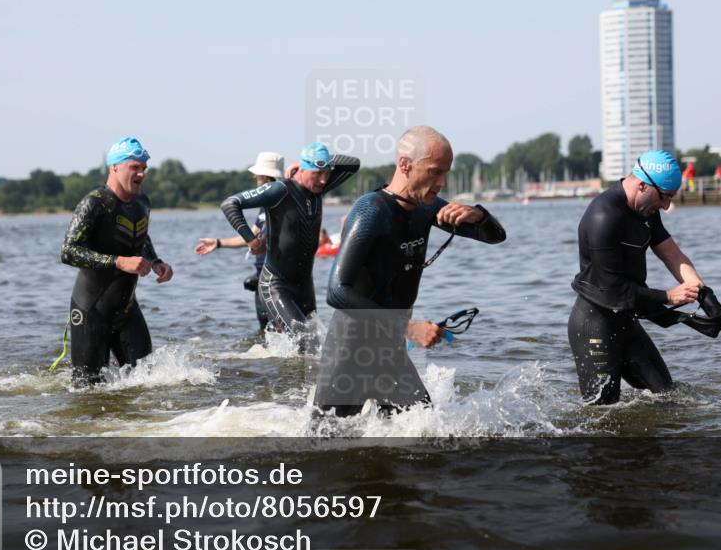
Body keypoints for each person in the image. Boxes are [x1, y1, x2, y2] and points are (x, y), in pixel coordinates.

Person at [313, 126, 507, 417]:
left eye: (446, 173)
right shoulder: (371, 211)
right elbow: (337, 291)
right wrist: (408, 328)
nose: (442, 182)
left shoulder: (427, 208)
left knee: (427, 442)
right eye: (434, 172)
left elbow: (495, 237)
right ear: (405, 165)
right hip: (350, 352)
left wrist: (479, 214)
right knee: (322, 449)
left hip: (389, 352)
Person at [568, 149, 708, 405]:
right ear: (643, 185)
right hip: (594, 323)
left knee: (669, 398)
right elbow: (613, 290)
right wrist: (669, 296)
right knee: (601, 417)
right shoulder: (604, 216)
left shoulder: (646, 209)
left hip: (625, 319)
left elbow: (671, 253)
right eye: (664, 197)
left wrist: (698, 288)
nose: (666, 206)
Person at [60, 137, 173, 386]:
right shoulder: (95, 203)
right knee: (87, 390)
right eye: (135, 167)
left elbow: (141, 237)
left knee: (146, 382)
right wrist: (118, 262)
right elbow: (68, 251)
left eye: (144, 168)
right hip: (92, 310)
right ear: (114, 167)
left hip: (126, 310)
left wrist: (156, 262)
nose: (142, 173)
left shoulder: (142, 203)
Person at [220, 142, 360, 338]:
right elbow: (230, 204)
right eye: (317, 173)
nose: (322, 180)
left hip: (304, 285)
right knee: (306, 340)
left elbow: (353, 164)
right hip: (276, 284)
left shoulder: (319, 188)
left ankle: (274, 366)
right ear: (303, 169)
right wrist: (251, 241)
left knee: (314, 343)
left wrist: (308, 162)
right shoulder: (279, 190)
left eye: (326, 174)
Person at [194, 151, 283, 330]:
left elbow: (275, 240)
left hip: (278, 280)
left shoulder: (281, 205)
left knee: (279, 331)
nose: (255, 178)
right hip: (262, 277)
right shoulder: (264, 208)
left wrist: (259, 243)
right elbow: (250, 236)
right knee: (265, 332)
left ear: (264, 177)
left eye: (256, 176)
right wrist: (218, 243)